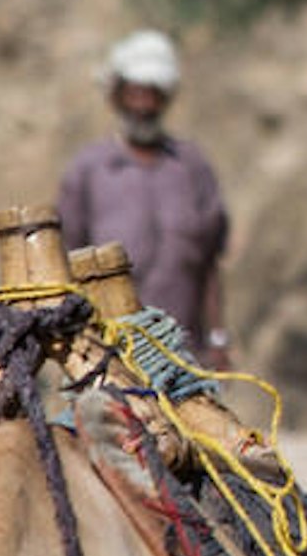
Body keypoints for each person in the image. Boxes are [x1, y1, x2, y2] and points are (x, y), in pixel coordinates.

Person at [57, 28, 232, 356]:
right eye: (136, 94)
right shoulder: (89, 170)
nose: (144, 106)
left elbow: (209, 263)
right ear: (117, 97)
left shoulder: (193, 168)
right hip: (110, 352)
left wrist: (218, 338)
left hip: (183, 352)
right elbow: (65, 262)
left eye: (153, 95)